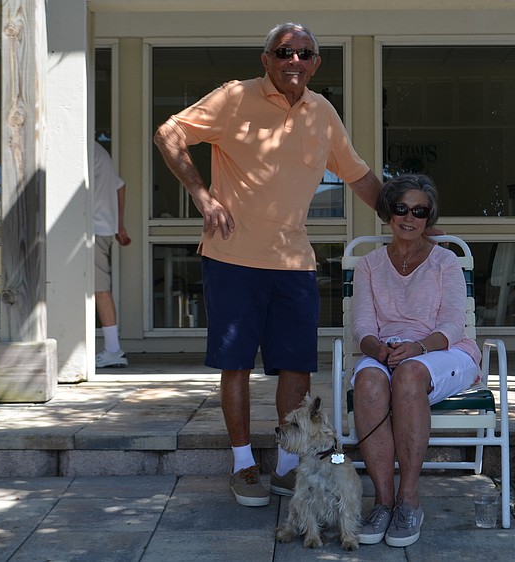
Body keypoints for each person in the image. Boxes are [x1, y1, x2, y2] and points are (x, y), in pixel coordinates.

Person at [153, 22, 382, 507]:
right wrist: (200, 194)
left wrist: (409, 217)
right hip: (232, 257)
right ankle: (242, 465)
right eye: (283, 52)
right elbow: (168, 133)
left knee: (296, 368)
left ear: (317, 64)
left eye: (304, 53)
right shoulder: (234, 98)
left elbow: (359, 178)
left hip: (294, 263)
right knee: (235, 364)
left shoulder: (322, 113)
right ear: (267, 59)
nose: (293, 60)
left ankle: (285, 467)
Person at [350, 174, 482, 547]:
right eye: (401, 208)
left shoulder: (445, 262)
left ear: (429, 216)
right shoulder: (369, 265)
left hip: (442, 350)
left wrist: (420, 347)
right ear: (388, 212)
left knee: (408, 376)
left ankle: (409, 500)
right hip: (387, 349)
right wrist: (378, 350)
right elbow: (362, 324)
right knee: (369, 382)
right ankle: (383, 501)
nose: (409, 217)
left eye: (419, 210)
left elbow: (454, 324)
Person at [92, 140, 131, 368]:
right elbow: (120, 185)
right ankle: (112, 349)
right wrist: (119, 226)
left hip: (91, 228)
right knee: (99, 289)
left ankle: (113, 350)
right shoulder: (99, 150)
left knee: (99, 290)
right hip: (103, 227)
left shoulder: (81, 148)